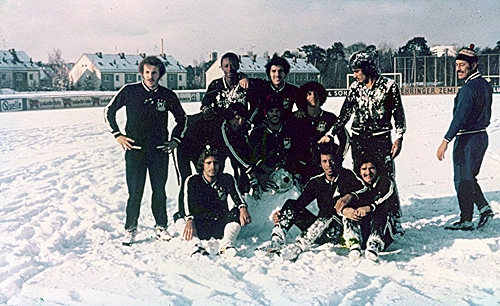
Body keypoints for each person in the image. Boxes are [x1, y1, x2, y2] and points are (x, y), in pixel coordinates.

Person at [319, 49, 406, 234]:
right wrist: (331, 133)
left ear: (368, 69)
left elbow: (398, 114)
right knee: (361, 178)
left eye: (357, 70)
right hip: (359, 140)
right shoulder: (354, 89)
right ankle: (365, 214)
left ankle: (393, 216)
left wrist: (399, 137)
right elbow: (345, 115)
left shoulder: (389, 86)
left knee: (386, 177)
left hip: (381, 139)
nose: (354, 75)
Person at [104, 55, 187, 244]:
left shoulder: (167, 95)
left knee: (159, 191)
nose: (150, 76)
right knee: (135, 192)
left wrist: (175, 140)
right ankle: (130, 228)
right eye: (147, 72)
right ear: (142, 72)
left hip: (159, 151)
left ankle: (161, 227)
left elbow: (182, 119)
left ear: (160, 74)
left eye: (154, 72)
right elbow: (108, 111)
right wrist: (117, 135)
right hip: (135, 151)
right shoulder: (129, 91)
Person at [258, 142, 366, 261]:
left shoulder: (348, 176)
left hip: (342, 232)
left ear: (338, 160)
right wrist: (282, 213)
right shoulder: (316, 182)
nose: (328, 165)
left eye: (332, 160)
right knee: (291, 204)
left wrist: (350, 196)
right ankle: (276, 241)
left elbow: (366, 192)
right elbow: (299, 204)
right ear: (320, 163)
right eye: (324, 161)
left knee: (331, 208)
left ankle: (298, 247)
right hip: (318, 230)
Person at [436, 44, 494, 231]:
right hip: (481, 137)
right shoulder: (485, 85)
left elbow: (460, 117)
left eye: (463, 65)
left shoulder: (468, 89)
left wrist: (445, 141)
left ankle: (466, 219)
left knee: (463, 179)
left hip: (468, 139)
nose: (458, 68)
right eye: (457, 64)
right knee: (469, 177)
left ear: (474, 65)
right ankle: (484, 209)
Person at [175, 146, 252, 257]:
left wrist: (243, 208)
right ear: (202, 165)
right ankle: (195, 245)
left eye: (215, 163)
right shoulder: (193, 180)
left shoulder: (226, 178)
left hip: (219, 223)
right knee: (178, 216)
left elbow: (237, 197)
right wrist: (190, 219)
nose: (212, 166)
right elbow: (185, 203)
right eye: (208, 163)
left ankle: (227, 244)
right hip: (199, 225)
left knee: (237, 211)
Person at [290, 81, 349, 186]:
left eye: (316, 94)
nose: (313, 97)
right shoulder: (297, 119)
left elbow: (345, 138)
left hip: (324, 168)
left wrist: (338, 157)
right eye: (309, 94)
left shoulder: (329, 118)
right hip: (301, 169)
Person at [337, 159, 397, 262]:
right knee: (350, 211)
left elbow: (384, 198)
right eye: (364, 169)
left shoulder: (385, 183)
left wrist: (369, 207)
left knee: (380, 212)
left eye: (371, 168)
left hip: (382, 230)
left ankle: (374, 244)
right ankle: (353, 241)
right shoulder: (355, 184)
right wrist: (345, 210)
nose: (368, 172)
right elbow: (338, 203)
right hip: (362, 228)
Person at [248, 97, 296, 193]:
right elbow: (251, 156)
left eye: (277, 111)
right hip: (265, 176)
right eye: (271, 111)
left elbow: (295, 153)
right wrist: (260, 172)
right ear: (266, 114)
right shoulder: (258, 133)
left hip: (287, 175)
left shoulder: (289, 130)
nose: (274, 114)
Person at [252, 55, 303, 125]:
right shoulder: (262, 88)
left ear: (285, 73)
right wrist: (243, 77)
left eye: (280, 71)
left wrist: (300, 110)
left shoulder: (292, 90)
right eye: (273, 71)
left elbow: (303, 106)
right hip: (265, 128)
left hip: (284, 128)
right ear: (269, 74)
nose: (277, 74)